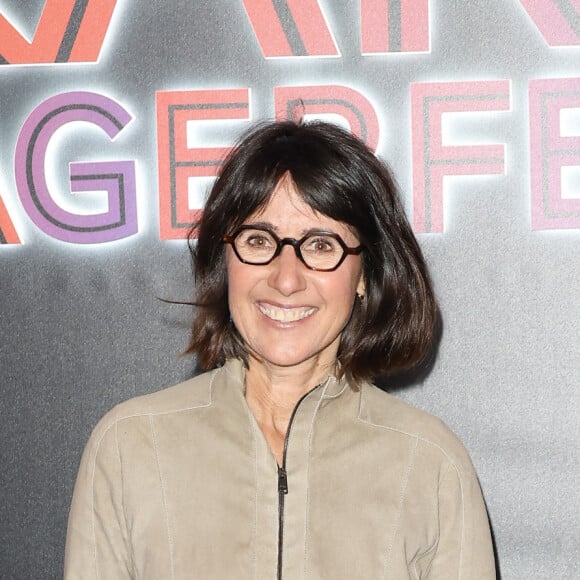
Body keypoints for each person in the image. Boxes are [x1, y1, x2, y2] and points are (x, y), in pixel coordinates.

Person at [65, 120, 496, 579]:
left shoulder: (428, 463)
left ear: (365, 276)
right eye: (258, 241)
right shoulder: (130, 446)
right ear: (224, 260)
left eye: (321, 244)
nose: (286, 279)